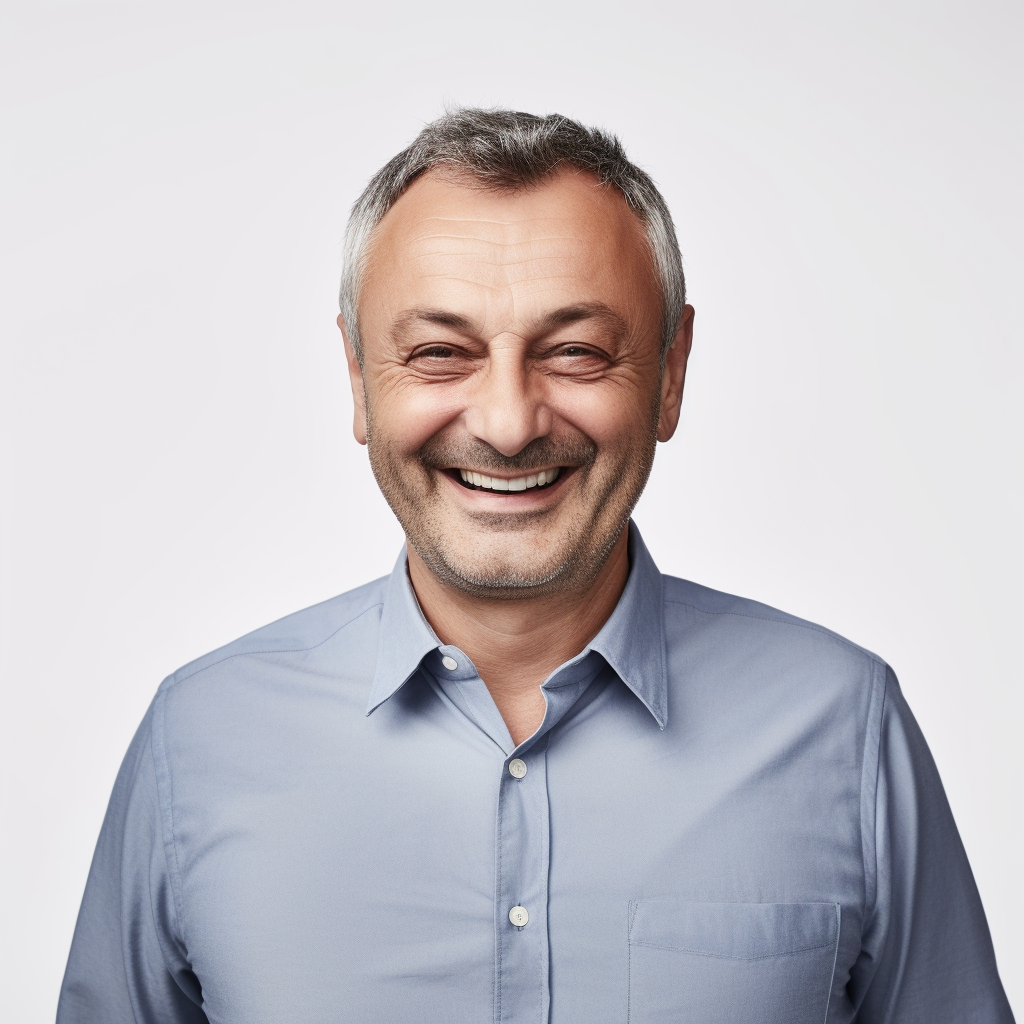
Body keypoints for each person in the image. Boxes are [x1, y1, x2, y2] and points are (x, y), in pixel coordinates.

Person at [57, 108, 1014, 1023]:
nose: (509, 422)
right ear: (356, 377)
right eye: (439, 354)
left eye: (578, 353)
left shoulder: (844, 725)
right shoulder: (200, 740)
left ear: (672, 373)